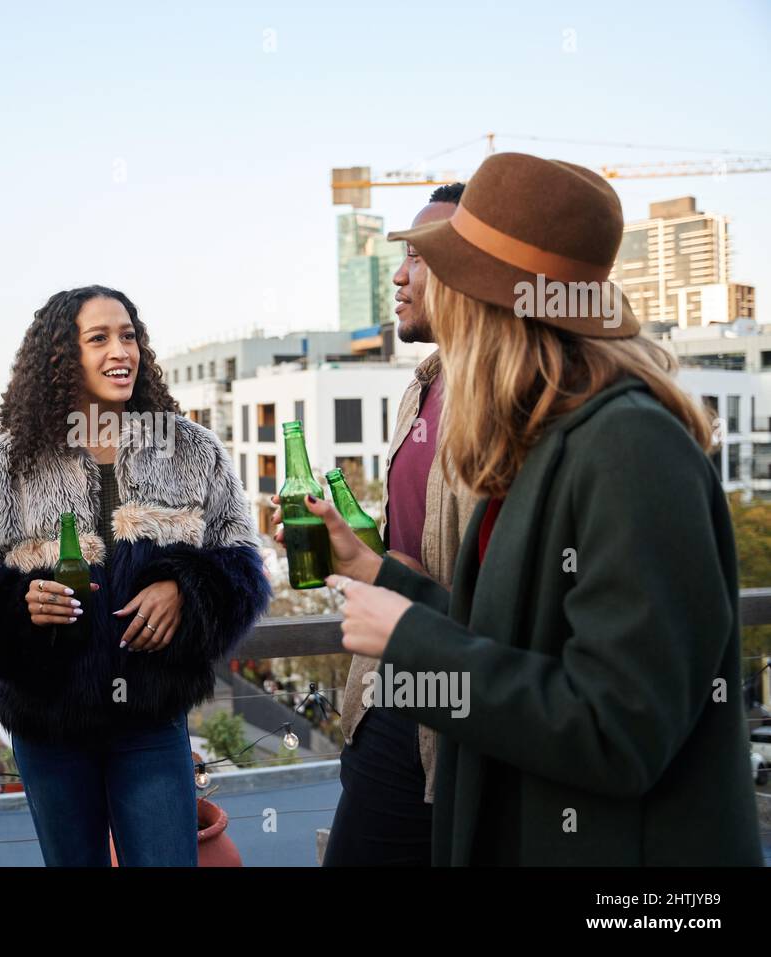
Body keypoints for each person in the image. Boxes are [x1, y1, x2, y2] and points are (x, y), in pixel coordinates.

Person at [282, 152, 763, 864]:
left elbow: (619, 728)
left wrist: (412, 637)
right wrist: (382, 575)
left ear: (490, 303)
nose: (426, 286)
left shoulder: (631, 446)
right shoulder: (535, 444)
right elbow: (510, 637)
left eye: (447, 272)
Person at [0, 285, 271, 866]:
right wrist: (19, 606)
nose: (121, 350)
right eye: (99, 338)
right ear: (59, 358)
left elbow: (242, 560)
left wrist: (185, 590)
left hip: (150, 720)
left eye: (128, 335)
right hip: (47, 727)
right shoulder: (3, 465)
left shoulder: (191, 449)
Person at [325, 183, 480, 867]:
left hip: (453, 720)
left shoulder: (508, 409)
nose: (397, 273)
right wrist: (355, 549)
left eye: (417, 257)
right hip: (383, 693)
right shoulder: (420, 389)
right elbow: (406, 549)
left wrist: (386, 573)